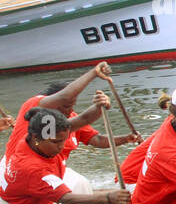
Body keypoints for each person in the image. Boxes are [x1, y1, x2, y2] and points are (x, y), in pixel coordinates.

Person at [3, 61, 141, 193]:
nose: (69, 111)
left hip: (51, 169)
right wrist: (94, 73)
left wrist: (125, 137)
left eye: (72, 106)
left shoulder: (68, 119)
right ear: (52, 101)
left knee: (82, 184)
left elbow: (96, 138)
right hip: (18, 170)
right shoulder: (35, 107)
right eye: (66, 106)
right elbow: (66, 97)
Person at [0, 106, 131, 204]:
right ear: (36, 138)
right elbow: (67, 199)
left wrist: (98, 105)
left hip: (22, 201)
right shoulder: (33, 169)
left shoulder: (35, 136)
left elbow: (82, 120)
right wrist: (108, 198)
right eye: (56, 142)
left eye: (63, 140)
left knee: (80, 182)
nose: (61, 146)